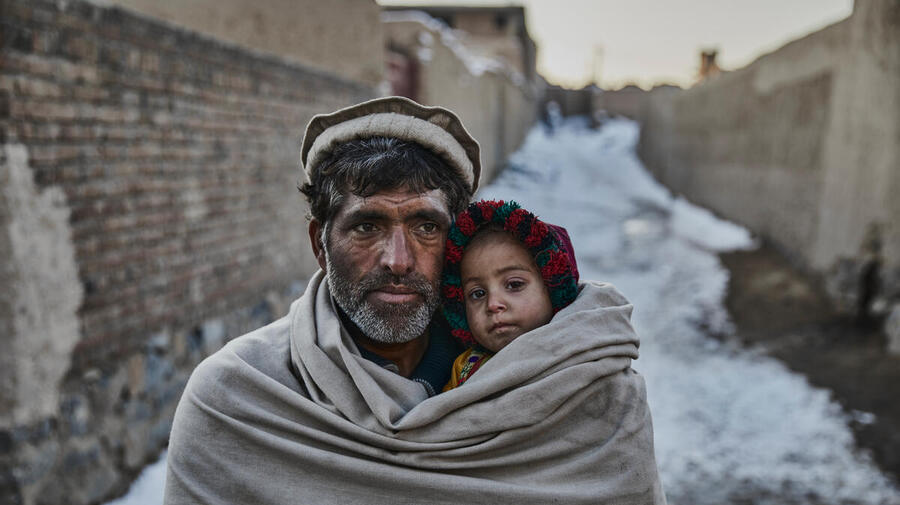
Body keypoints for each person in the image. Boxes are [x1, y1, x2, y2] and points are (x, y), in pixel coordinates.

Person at [164, 96, 666, 504]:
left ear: (456, 241)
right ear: (320, 243)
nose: (398, 260)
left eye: (426, 226)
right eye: (367, 226)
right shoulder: (237, 401)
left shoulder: (581, 394)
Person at [442, 200, 580, 391]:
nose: (493, 304)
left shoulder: (582, 352)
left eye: (514, 285)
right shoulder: (465, 370)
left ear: (553, 287)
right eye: (478, 293)